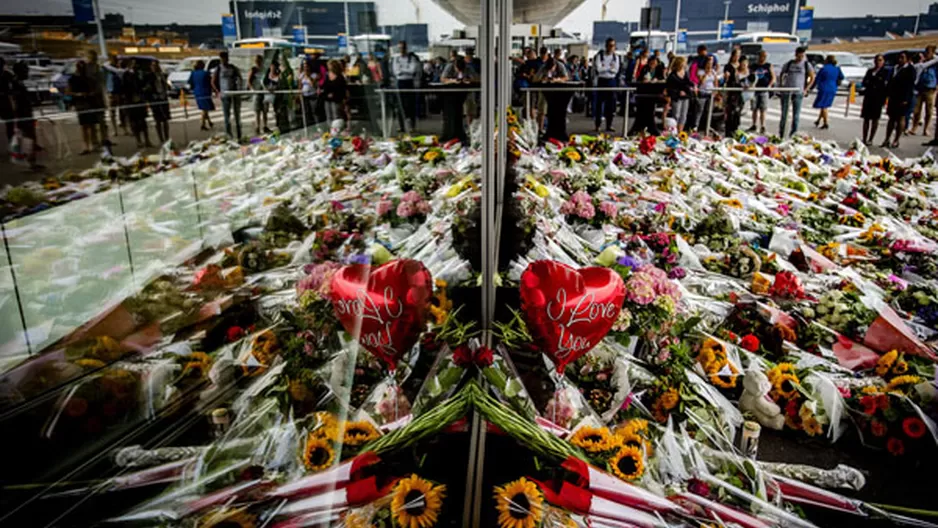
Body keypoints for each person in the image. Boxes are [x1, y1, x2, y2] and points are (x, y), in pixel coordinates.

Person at [777, 46, 815, 138]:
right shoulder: (789, 64)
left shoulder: (806, 65)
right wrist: (782, 85)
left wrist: (806, 89)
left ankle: (793, 134)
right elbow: (781, 74)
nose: (800, 58)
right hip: (787, 91)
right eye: (799, 56)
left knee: (796, 115)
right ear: (796, 55)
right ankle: (781, 133)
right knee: (784, 114)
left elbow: (812, 77)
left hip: (798, 92)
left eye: (802, 56)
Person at [883, 51, 916, 148]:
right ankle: (887, 139)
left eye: (902, 57)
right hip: (893, 96)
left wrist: (906, 99)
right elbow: (890, 81)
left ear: (907, 59)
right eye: (899, 57)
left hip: (903, 97)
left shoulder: (910, 69)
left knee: (901, 118)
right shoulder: (895, 68)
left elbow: (910, 85)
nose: (900, 59)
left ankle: (896, 139)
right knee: (891, 119)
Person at [68, 60, 100, 154]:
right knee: (84, 125)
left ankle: (93, 144)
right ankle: (86, 145)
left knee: (91, 125)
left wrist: (91, 94)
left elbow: (94, 89)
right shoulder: (73, 79)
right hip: (80, 103)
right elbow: (69, 91)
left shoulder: (88, 78)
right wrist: (78, 94)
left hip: (89, 102)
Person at [10, 61, 38, 168]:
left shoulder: (20, 83)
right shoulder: (15, 83)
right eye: (26, 70)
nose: (28, 73)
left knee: (30, 137)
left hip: (26, 113)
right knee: (27, 137)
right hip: (22, 115)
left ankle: (31, 159)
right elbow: (15, 101)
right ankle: (29, 160)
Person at [391, 40, 421, 134]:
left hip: (409, 82)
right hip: (400, 82)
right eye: (400, 48)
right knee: (400, 105)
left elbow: (413, 70)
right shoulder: (396, 59)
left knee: (411, 105)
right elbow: (396, 72)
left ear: (406, 48)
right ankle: (401, 126)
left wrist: (402, 70)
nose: (402, 50)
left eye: (403, 48)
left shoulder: (412, 58)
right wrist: (406, 70)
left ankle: (412, 126)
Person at [592, 38, 621, 133]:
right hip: (602, 81)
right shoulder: (599, 56)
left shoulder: (616, 57)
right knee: (599, 104)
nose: (611, 48)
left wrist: (605, 67)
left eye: (613, 46)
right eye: (609, 45)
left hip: (611, 81)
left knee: (611, 105)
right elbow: (599, 69)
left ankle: (609, 125)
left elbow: (615, 70)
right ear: (606, 46)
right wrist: (609, 68)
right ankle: (597, 124)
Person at [122, 59, 152, 148]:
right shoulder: (126, 75)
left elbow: (143, 83)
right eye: (133, 64)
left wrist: (144, 89)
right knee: (134, 122)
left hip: (140, 99)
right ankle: (138, 140)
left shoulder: (139, 74)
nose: (135, 66)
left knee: (143, 121)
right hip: (131, 101)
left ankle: (147, 140)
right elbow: (125, 88)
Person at [213, 51, 243, 140]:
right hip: (224, 95)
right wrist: (217, 92)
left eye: (225, 58)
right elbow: (213, 81)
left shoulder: (232, 68)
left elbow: (239, 77)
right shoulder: (218, 69)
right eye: (222, 59)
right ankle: (229, 135)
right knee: (227, 117)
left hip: (234, 94)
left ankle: (239, 134)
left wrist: (239, 87)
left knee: (237, 115)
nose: (224, 60)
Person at [910, 45, 938, 135]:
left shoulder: (935, 63)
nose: (927, 54)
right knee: (916, 110)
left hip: (930, 88)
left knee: (929, 110)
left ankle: (926, 129)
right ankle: (914, 127)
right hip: (920, 88)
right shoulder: (922, 62)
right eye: (926, 52)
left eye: (929, 52)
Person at [861, 54, 889, 146]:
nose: (878, 62)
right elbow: (864, 82)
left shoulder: (885, 72)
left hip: (878, 98)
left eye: (880, 60)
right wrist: (869, 82)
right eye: (877, 60)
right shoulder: (870, 71)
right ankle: (864, 138)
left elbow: (884, 85)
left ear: (883, 61)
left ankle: (871, 138)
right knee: (866, 119)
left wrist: (884, 99)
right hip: (869, 96)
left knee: (875, 119)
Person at [811, 55, 843, 130]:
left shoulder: (824, 69)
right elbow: (841, 77)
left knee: (823, 106)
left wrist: (811, 88)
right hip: (833, 88)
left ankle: (825, 123)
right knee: (824, 105)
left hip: (824, 88)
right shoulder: (837, 68)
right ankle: (818, 120)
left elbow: (817, 79)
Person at [747, 50, 774, 133]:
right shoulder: (753, 66)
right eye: (762, 56)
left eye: (764, 56)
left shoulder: (768, 66)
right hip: (755, 90)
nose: (763, 58)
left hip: (764, 90)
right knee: (754, 108)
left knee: (763, 109)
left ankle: (762, 125)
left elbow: (773, 77)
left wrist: (769, 85)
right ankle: (754, 124)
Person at [85, 49, 109, 144]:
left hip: (99, 96)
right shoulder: (86, 69)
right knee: (92, 121)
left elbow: (102, 83)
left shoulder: (99, 68)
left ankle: (104, 138)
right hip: (90, 97)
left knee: (102, 120)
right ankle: (94, 140)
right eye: (91, 57)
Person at [666, 56, 695, 133]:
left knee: (684, 115)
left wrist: (693, 86)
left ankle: (680, 131)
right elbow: (669, 88)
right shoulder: (672, 75)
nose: (685, 65)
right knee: (676, 114)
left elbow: (688, 83)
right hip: (677, 97)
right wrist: (678, 92)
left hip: (686, 96)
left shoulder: (685, 73)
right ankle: (674, 131)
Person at [104, 54, 128, 136]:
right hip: (111, 92)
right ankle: (115, 130)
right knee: (112, 112)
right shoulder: (107, 69)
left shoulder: (119, 69)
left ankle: (125, 128)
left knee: (122, 112)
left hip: (119, 92)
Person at [148, 61, 170, 144]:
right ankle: (161, 139)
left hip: (163, 98)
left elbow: (166, 85)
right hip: (155, 99)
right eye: (153, 65)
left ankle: (167, 137)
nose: (155, 67)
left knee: (165, 119)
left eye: (156, 65)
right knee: (158, 120)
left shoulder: (162, 75)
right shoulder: (150, 76)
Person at [189, 59, 214, 131]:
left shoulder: (193, 73)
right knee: (205, 108)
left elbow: (190, 83)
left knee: (204, 108)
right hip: (205, 92)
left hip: (197, 92)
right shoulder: (206, 73)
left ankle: (209, 122)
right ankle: (202, 124)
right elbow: (210, 82)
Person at [695, 56, 718, 132]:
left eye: (711, 64)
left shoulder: (714, 72)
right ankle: (696, 125)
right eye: (708, 64)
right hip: (703, 92)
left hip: (710, 93)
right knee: (700, 109)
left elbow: (715, 82)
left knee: (709, 110)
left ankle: (707, 126)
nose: (710, 65)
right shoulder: (700, 72)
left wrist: (715, 91)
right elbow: (701, 82)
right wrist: (706, 73)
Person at [322, 59, 349, 126]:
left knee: (336, 116)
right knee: (329, 116)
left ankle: (338, 130)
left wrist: (334, 94)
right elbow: (325, 86)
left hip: (336, 99)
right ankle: (330, 131)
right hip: (327, 99)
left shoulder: (340, 77)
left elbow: (342, 88)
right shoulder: (327, 75)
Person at [248, 55, 270, 135]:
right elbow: (249, 81)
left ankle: (265, 126)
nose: (258, 62)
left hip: (264, 92)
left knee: (265, 110)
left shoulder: (265, 70)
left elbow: (268, 79)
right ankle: (257, 127)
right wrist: (252, 89)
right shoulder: (253, 70)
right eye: (257, 61)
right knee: (257, 111)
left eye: (259, 60)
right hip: (257, 92)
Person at [298, 59, 318, 129]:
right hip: (304, 95)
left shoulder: (314, 75)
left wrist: (308, 76)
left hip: (312, 95)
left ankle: (317, 126)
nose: (305, 68)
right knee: (306, 112)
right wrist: (299, 94)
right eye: (304, 67)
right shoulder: (301, 75)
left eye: (307, 67)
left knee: (314, 111)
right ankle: (308, 127)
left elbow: (313, 85)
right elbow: (300, 85)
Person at [0, 58, 14, 144]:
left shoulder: (6, 74)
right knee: (10, 123)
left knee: (10, 122)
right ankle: (11, 141)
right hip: (4, 100)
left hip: (4, 100)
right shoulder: (6, 74)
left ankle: (11, 140)